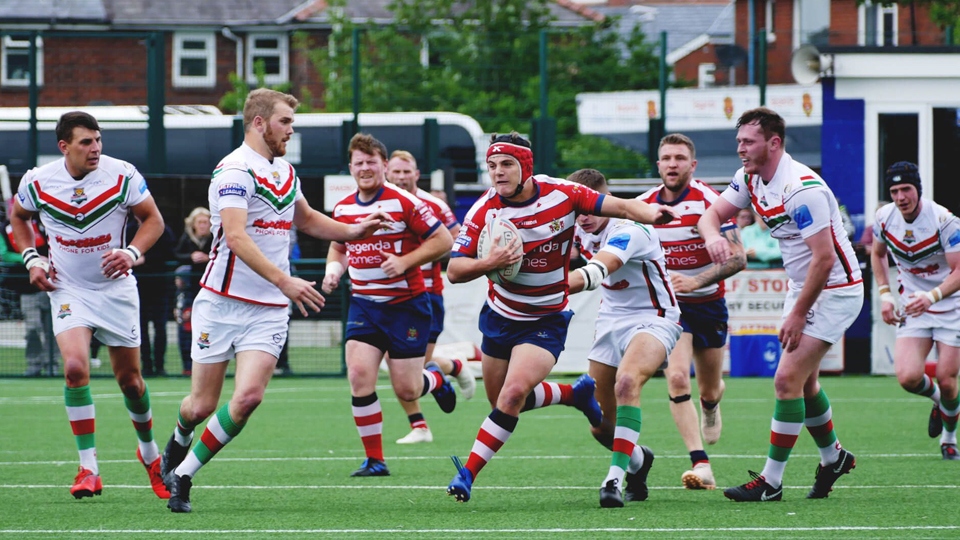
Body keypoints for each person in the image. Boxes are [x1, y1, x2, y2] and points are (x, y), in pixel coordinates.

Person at [160, 89, 388, 513]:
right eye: (285, 121)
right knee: (202, 405)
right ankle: (179, 435)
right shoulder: (233, 171)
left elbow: (305, 218)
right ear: (260, 123)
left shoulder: (284, 171)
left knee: (247, 398)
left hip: (267, 310)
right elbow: (235, 235)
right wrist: (286, 281)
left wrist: (353, 232)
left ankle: (185, 475)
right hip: (221, 302)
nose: (291, 129)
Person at [444, 132, 678, 503]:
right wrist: (491, 263)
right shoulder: (483, 210)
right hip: (500, 316)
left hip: (546, 320)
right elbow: (455, 271)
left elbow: (619, 207)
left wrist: (650, 212)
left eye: (507, 164)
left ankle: (467, 475)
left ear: (526, 166)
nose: (498, 173)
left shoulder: (564, 194)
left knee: (513, 395)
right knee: (502, 402)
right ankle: (573, 394)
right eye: (492, 166)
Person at [699, 107, 863, 502]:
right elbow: (711, 216)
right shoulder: (749, 177)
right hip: (804, 285)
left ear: (773, 143)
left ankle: (771, 482)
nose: (740, 148)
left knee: (786, 380)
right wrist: (714, 238)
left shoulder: (801, 188)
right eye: (738, 141)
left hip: (836, 289)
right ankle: (833, 457)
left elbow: (824, 260)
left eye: (748, 141)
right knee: (804, 383)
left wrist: (795, 312)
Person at [8, 110, 169, 500]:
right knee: (75, 368)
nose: (95, 148)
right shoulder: (38, 181)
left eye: (98, 140)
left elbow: (154, 221)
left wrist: (131, 252)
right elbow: (18, 216)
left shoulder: (122, 174)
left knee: (130, 381)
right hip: (68, 289)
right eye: (86, 142)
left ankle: (149, 454)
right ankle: (89, 468)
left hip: (115, 290)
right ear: (64, 147)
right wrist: (33, 258)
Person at [322, 133, 456, 476]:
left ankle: (437, 379)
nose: (365, 168)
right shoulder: (343, 207)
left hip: (406, 306)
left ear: (383, 165)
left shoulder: (403, 202)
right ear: (350, 168)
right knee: (359, 375)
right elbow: (339, 246)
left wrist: (406, 261)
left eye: (371, 162)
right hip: (365, 304)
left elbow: (444, 239)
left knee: (407, 388)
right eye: (358, 163)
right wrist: (334, 271)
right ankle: (375, 460)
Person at [567, 168, 682, 507]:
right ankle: (638, 462)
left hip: (654, 317)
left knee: (627, 382)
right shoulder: (576, 230)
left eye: (591, 208)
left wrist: (545, 289)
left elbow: (598, 269)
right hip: (610, 322)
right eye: (578, 209)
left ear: (605, 203)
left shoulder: (630, 230)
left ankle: (613, 481)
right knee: (601, 427)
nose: (584, 217)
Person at [639, 133, 747, 490]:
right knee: (677, 378)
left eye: (680, 158)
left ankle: (712, 404)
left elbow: (738, 258)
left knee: (709, 390)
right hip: (672, 309)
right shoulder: (645, 206)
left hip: (709, 305)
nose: (672, 164)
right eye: (666, 158)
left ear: (692, 165)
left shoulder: (711, 203)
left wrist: (695, 280)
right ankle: (701, 465)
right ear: (658, 165)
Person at [870, 161, 960, 460]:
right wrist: (885, 295)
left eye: (906, 189)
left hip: (950, 304)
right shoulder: (884, 218)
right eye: (894, 191)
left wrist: (932, 296)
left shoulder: (944, 220)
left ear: (918, 189)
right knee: (908, 377)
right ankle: (938, 403)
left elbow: (959, 271)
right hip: (915, 305)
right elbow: (878, 254)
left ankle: (948, 438)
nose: (900, 197)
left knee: (948, 380)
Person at [385, 149, 475, 445]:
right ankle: (420, 425)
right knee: (396, 363)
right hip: (388, 295)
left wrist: (424, 250)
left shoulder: (433, 205)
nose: (400, 177)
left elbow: (457, 240)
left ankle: (452, 366)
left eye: (406, 171)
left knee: (415, 367)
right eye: (395, 171)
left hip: (425, 294)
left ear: (416, 174)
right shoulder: (378, 204)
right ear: (387, 172)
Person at [2, 212, 61, 376]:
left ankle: (52, 365)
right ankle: (34, 364)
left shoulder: (43, 224)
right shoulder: (4, 230)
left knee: (52, 329)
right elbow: (4, 254)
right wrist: (31, 259)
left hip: (50, 285)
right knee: (32, 328)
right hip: (26, 289)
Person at [130, 221, 176, 376]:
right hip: (137, 286)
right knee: (140, 326)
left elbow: (170, 253)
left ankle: (160, 365)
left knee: (160, 326)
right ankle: (146, 365)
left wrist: (145, 259)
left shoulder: (163, 229)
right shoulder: (130, 228)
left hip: (159, 286)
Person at [174, 207, 212, 296]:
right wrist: (191, 256)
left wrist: (208, 258)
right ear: (193, 224)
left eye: (205, 222)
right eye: (199, 222)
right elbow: (176, 254)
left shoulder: (214, 237)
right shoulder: (187, 237)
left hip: (209, 277)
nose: (202, 226)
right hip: (191, 278)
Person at [172, 265, 194, 375]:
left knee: (189, 345)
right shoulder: (178, 293)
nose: (176, 281)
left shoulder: (190, 293)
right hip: (181, 323)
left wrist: (189, 312)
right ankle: (186, 368)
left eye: (178, 278)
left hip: (190, 325)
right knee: (182, 346)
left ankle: (191, 367)